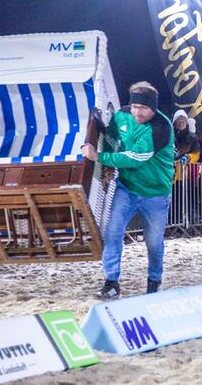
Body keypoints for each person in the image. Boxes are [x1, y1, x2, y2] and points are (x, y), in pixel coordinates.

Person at [82, 82, 175, 299]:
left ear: (154, 108)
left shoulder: (161, 126)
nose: (137, 112)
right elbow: (111, 139)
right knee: (113, 232)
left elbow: (135, 158)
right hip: (126, 188)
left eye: (143, 108)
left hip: (155, 193)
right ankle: (111, 281)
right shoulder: (122, 115)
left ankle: (154, 281)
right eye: (134, 106)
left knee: (153, 242)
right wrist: (98, 132)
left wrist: (100, 158)